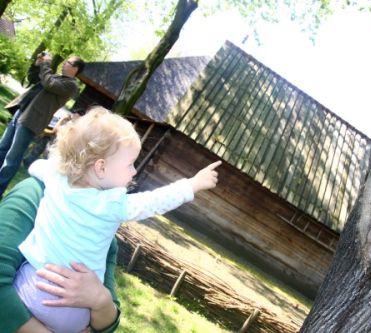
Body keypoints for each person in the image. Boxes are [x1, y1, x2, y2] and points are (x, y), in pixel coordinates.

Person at [14, 107, 221, 332]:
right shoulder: (110, 204)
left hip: (29, 287)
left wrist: (50, 166)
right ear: (101, 167)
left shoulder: (55, 178)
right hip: (72, 309)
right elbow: (153, 201)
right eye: (130, 164)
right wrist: (192, 184)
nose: (134, 171)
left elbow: (37, 166)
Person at [0, 177, 120, 333]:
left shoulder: (106, 236)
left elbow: (108, 322)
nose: (134, 172)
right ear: (98, 164)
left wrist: (100, 300)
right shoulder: (35, 193)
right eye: (129, 162)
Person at [0, 53, 85, 197]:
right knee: (2, 148)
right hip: (21, 112)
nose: (64, 63)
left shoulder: (70, 85)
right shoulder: (55, 76)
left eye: (68, 62)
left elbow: (49, 83)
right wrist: (37, 64)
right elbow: (33, 78)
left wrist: (46, 65)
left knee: (12, 157)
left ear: (75, 69)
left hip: (31, 121)